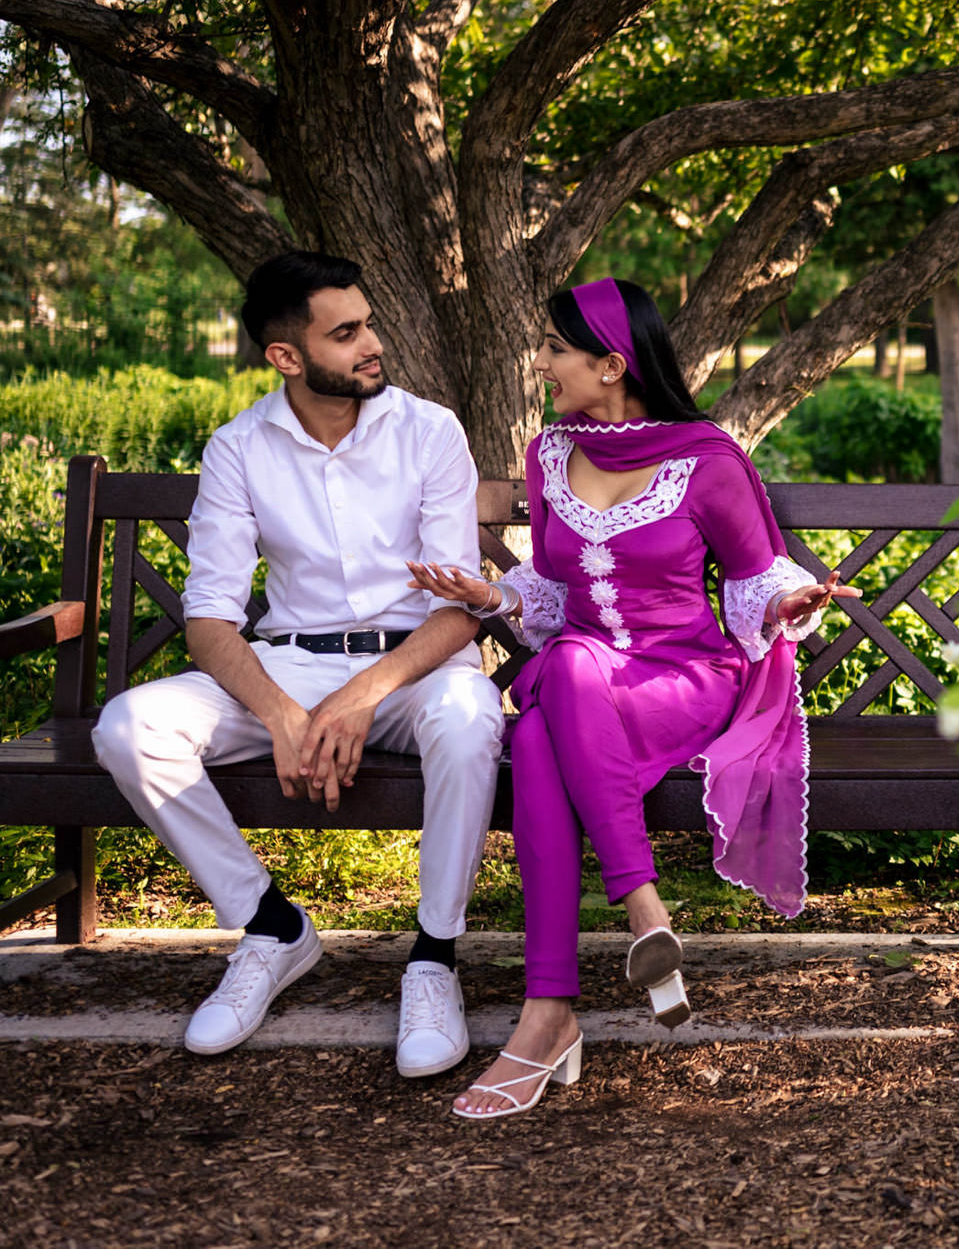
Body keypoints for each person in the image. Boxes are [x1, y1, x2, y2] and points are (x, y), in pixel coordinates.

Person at [410, 278, 853, 1121]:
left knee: (563, 682)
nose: (540, 364)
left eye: (554, 350)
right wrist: (488, 592)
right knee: (541, 727)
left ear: (611, 364)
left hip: (683, 678)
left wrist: (788, 605)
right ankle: (575, 982)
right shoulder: (549, 457)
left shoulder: (707, 459)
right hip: (586, 684)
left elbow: (756, 579)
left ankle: (595, 956)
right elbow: (547, 586)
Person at [91, 251, 504, 1074]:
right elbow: (209, 620)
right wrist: (284, 714)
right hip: (285, 668)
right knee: (129, 726)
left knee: (469, 719)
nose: (371, 344)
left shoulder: (431, 431)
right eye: (346, 333)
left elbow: (458, 610)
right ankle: (274, 927)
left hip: (410, 675)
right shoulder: (239, 448)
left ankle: (433, 957)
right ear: (287, 356)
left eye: (368, 323)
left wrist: (359, 696)